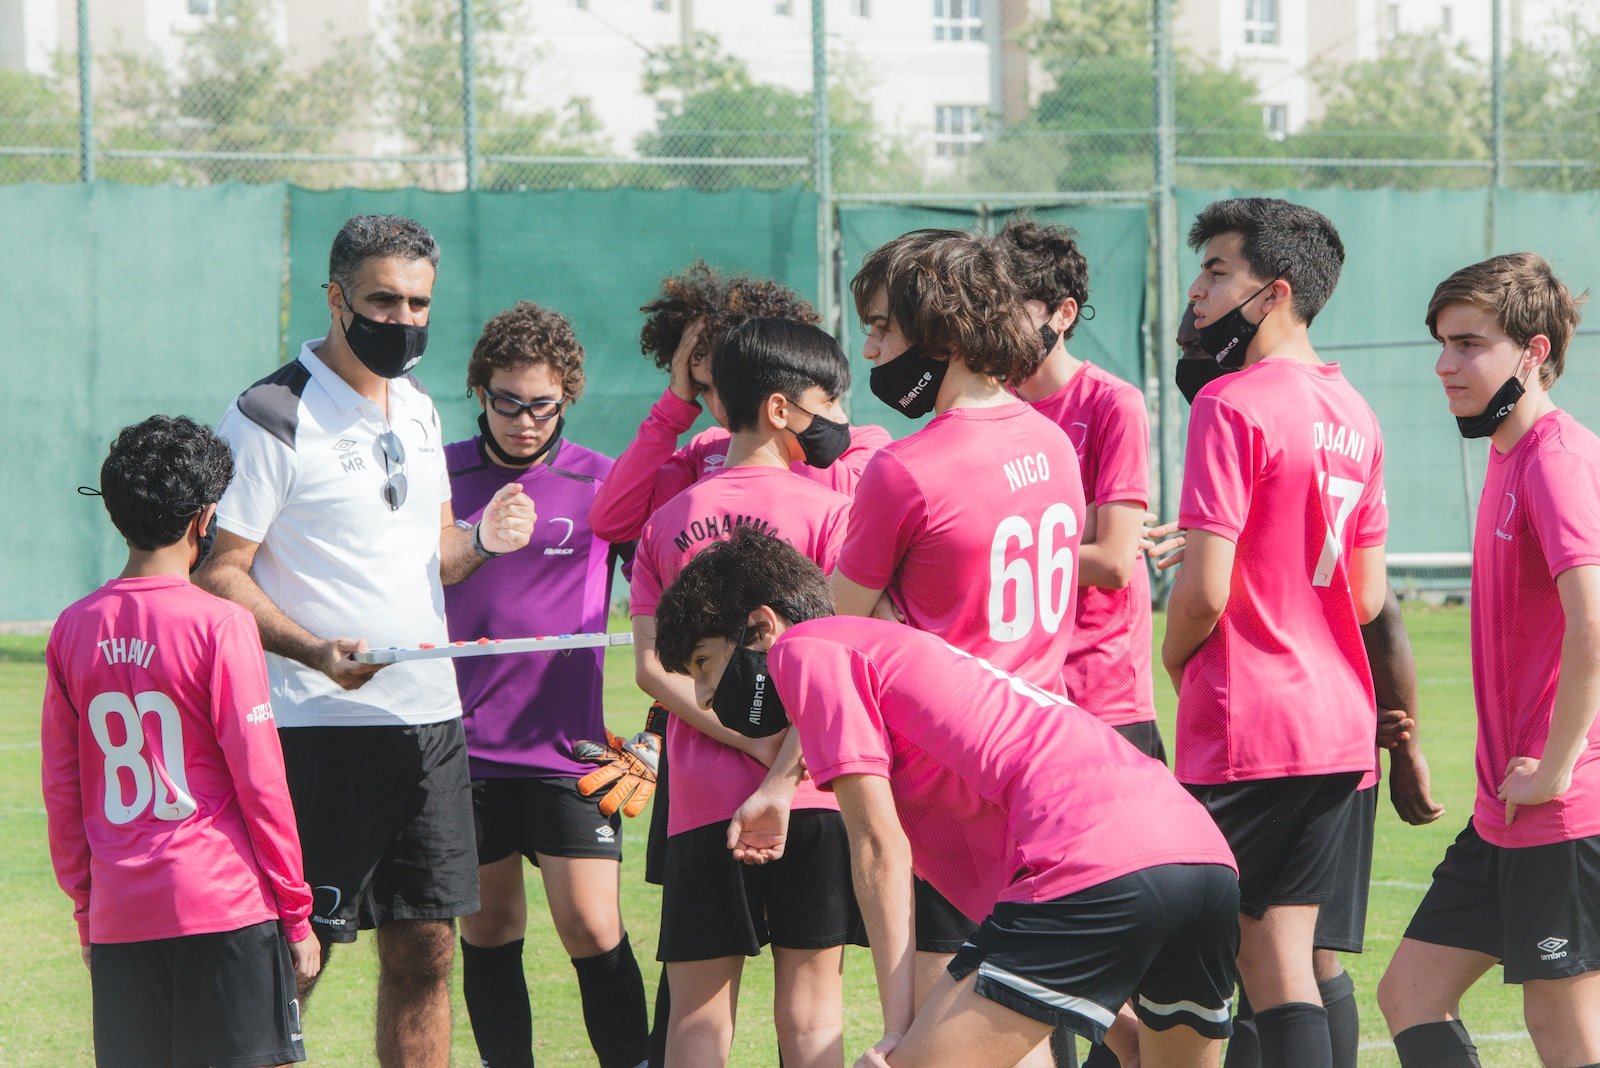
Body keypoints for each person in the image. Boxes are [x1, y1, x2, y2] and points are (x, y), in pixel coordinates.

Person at [654, 527, 1241, 1068]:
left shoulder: (805, 648)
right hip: (1200, 856)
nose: (704, 697)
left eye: (704, 664)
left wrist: (899, 1031)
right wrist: (1115, 1026)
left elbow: (878, 846)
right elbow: (1017, 894)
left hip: (1097, 864)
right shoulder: (896, 667)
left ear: (761, 626)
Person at [195, 214, 536, 1067]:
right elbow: (218, 571)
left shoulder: (420, 407)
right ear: (335, 298)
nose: (404, 321)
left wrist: (486, 540)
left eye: (419, 303)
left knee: (427, 952)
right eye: (383, 300)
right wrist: (314, 651)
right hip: (315, 726)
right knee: (298, 953)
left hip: (428, 724)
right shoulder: (270, 414)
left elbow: (438, 556)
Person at [1157, 307, 1445, 1068]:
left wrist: (1178, 654)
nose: (1198, 298)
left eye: (1217, 272)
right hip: (1338, 720)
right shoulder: (1353, 410)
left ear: (1275, 291)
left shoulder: (1234, 404)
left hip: (1254, 717)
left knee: (1216, 956)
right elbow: (1366, 598)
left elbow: (1203, 596)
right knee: (1289, 958)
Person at [831, 227, 1088, 1050]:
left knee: (956, 1037)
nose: (868, 348)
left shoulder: (906, 467)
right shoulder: (1051, 440)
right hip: (1044, 760)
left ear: (940, 334)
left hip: (951, 780)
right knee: (1030, 1025)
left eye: (882, 327)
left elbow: (837, 630)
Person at [1378, 252, 1600, 1067]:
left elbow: (1594, 625)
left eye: (1469, 344)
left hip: (1563, 810)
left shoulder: (1559, 460)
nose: (1446, 365)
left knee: (1565, 1034)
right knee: (1409, 995)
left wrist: (1558, 768)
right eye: (1441, 343)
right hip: (1501, 813)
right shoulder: (1509, 453)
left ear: (1534, 352)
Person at [42, 415, 319, 1068]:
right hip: (221, 909)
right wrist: (297, 915)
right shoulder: (220, 625)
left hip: (120, 916)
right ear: (206, 517)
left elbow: (62, 791)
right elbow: (261, 782)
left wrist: (88, 912)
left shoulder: (72, 629)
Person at [629, 317, 862, 1067]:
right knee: (813, 1006)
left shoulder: (667, 521)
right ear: (779, 407)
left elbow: (652, 668)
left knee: (696, 1017)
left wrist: (748, 743)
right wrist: (784, 767)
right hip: (819, 795)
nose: (838, 419)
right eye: (828, 400)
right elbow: (842, 668)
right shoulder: (834, 516)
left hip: (701, 801)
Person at [441, 302, 647, 1068]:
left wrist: (656, 730)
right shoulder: (444, 477)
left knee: (593, 929)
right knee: (489, 929)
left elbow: (664, 605)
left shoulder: (604, 484)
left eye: (542, 405)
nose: (524, 421)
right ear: (479, 391)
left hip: (569, 758)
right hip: (464, 756)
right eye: (506, 402)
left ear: (568, 397)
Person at [1001, 217, 1163, 761]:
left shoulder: (1112, 403)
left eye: (1011, 311)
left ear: (1063, 313)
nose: (997, 329)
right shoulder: (987, 408)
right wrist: (1081, 525)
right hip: (1013, 688)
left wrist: (1001, 553)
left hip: (1103, 690)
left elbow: (1115, 561)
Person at [588, 260, 889, 545]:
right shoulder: (703, 453)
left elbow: (859, 517)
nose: (720, 407)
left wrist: (779, 438)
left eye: (730, 384)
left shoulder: (865, 447)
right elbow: (613, 522)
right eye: (703, 388)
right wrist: (670, 411)